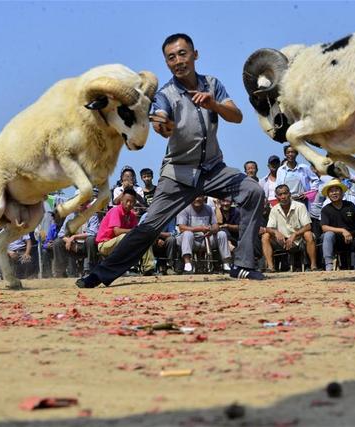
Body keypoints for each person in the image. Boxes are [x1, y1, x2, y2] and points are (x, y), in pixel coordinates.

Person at [77, 33, 265, 288]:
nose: (178, 61)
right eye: (171, 57)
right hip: (178, 173)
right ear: (167, 63)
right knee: (150, 226)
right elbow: (161, 122)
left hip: (214, 168)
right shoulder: (165, 94)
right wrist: (163, 125)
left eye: (183, 54)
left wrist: (214, 105)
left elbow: (237, 116)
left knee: (253, 190)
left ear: (195, 55)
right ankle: (100, 274)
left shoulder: (212, 84)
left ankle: (243, 265)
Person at [95, 188, 155, 275]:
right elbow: (117, 232)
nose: (129, 204)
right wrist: (135, 231)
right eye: (127, 201)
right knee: (126, 237)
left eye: (132, 202)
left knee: (143, 238)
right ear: (121, 200)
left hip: (118, 243)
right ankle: (129, 269)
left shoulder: (132, 215)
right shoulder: (115, 211)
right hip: (105, 244)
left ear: (135, 203)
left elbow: (135, 232)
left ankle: (149, 268)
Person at [262, 184, 318, 272]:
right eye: (280, 195)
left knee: (308, 234)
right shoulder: (274, 209)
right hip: (282, 241)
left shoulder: (300, 206)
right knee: (265, 236)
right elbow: (269, 228)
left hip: (299, 241)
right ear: (276, 197)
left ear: (290, 194)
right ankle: (271, 267)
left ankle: (313, 266)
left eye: (285, 193)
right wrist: (276, 232)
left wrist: (295, 234)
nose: (283, 197)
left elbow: (308, 226)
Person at [177, 195, 232, 273]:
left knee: (222, 234)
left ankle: (226, 264)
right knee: (187, 234)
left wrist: (211, 230)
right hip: (190, 241)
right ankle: (187, 264)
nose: (197, 199)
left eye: (200, 197)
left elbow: (216, 225)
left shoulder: (209, 208)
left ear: (204, 198)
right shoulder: (184, 209)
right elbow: (181, 228)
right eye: (195, 197)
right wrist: (199, 228)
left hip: (206, 239)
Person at [321, 179, 355, 271]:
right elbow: (324, 227)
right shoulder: (326, 209)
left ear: (342, 192)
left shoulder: (350, 205)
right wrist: (343, 231)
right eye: (331, 191)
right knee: (328, 235)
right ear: (328, 194)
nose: (334, 193)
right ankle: (328, 265)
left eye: (336, 190)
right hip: (336, 241)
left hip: (353, 238)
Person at [52, 206, 100, 278]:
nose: (79, 205)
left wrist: (74, 237)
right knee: (57, 242)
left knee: (90, 239)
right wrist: (68, 240)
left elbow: (93, 232)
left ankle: (92, 271)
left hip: (86, 245)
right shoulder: (70, 216)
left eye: (81, 202)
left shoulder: (92, 215)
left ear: (85, 203)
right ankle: (60, 273)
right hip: (72, 245)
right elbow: (61, 234)